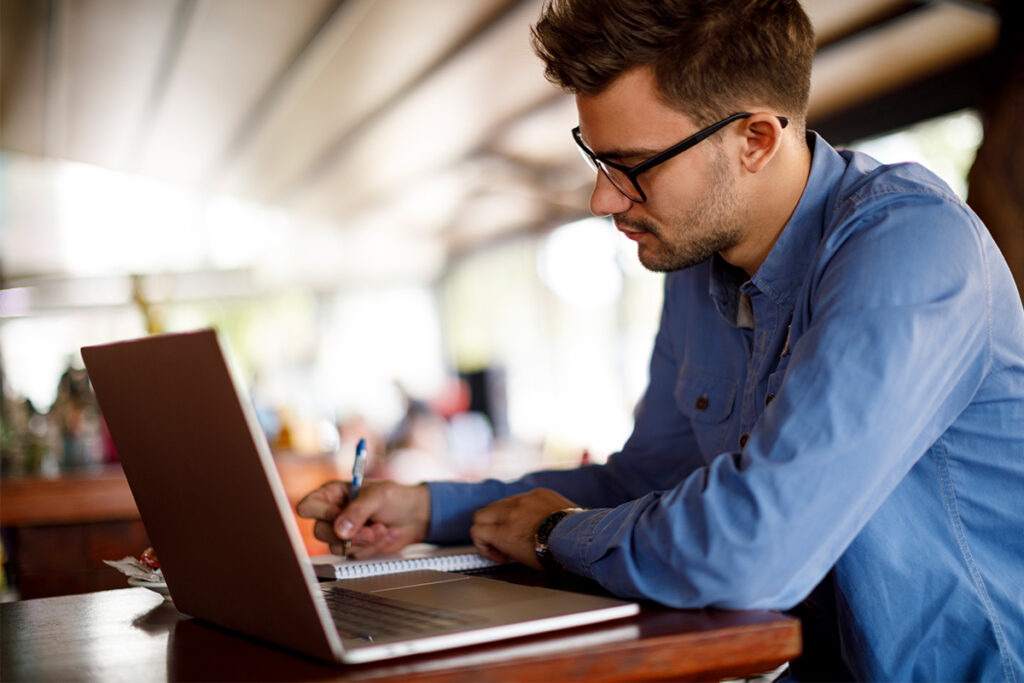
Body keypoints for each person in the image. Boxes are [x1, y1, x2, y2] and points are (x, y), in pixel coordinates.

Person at [297, 0, 1024, 679]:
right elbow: (648, 481)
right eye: (598, 157)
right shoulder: (698, 264)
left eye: (634, 166)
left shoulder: (910, 248)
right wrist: (432, 508)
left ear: (757, 139)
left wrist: (554, 535)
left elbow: (750, 550)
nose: (603, 198)